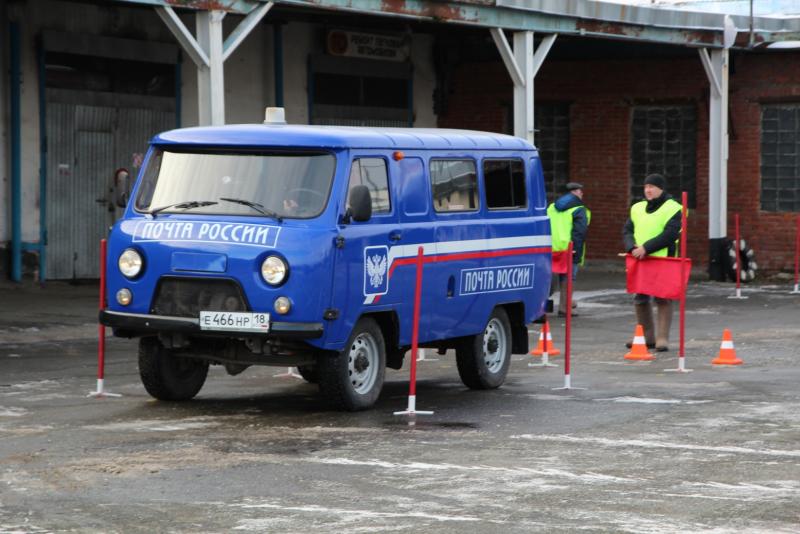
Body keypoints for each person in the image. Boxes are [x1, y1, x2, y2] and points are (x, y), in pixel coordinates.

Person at [622, 173, 682, 351]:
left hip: (664, 259)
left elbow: (670, 234)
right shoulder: (637, 208)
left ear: (661, 189)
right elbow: (627, 230)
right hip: (640, 259)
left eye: (652, 187)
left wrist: (646, 248)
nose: (648, 190)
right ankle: (646, 337)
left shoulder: (673, 208)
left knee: (662, 297)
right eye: (646, 187)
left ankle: (662, 338)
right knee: (640, 298)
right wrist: (631, 248)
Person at [548, 181, 591, 317]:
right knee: (568, 278)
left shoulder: (551, 207)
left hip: (551, 248)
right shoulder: (578, 209)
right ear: (575, 193)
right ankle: (564, 308)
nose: (582, 194)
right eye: (580, 191)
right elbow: (579, 232)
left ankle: (541, 309)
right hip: (568, 249)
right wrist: (576, 252)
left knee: (547, 279)